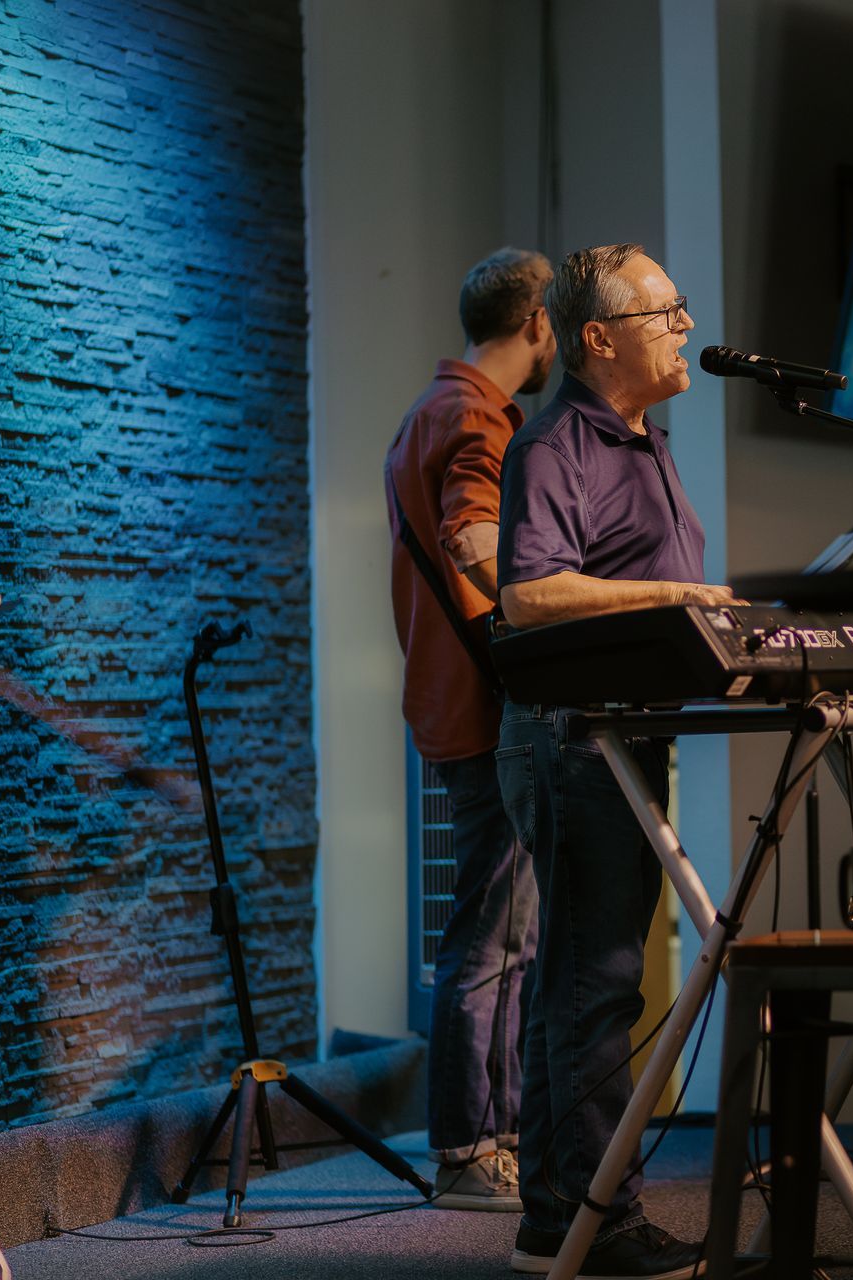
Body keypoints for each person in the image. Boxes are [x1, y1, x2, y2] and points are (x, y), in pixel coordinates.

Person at [496, 244, 738, 1278]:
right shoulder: (556, 445)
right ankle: (602, 1215)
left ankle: (559, 1213)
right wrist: (676, 599)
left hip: (626, 738)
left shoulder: (647, 441)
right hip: (569, 741)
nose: (684, 325)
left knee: (585, 979)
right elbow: (530, 594)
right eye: (665, 310)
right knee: (594, 980)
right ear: (600, 337)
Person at [385, 246, 556, 1211]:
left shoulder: (433, 408)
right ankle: (467, 1153)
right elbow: (472, 537)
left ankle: (489, 1143)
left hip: (455, 702)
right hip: (487, 709)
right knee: (492, 942)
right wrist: (549, 607)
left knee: (500, 937)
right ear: (537, 324)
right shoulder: (472, 419)